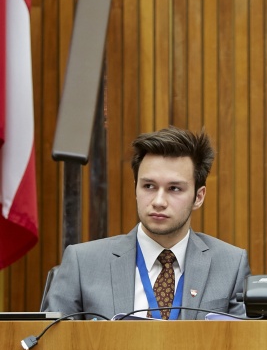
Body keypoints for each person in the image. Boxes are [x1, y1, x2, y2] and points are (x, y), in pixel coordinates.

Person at [43, 127, 249, 319]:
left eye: (174, 189)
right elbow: (52, 348)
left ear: (199, 196)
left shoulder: (230, 266)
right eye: (149, 186)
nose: (159, 202)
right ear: (136, 188)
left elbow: (246, 347)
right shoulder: (83, 263)